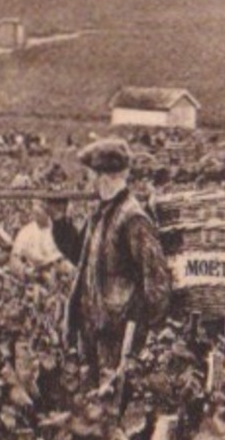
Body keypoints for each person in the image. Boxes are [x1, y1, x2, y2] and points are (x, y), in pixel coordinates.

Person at [62, 138, 172, 371]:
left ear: (103, 176)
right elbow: (79, 259)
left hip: (119, 338)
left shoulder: (132, 219)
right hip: (96, 333)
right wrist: (59, 222)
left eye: (90, 175)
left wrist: (139, 336)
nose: (88, 182)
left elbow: (157, 282)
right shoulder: (100, 214)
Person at [11, 199, 73, 280]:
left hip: (61, 275)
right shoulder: (26, 232)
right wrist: (26, 271)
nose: (37, 210)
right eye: (35, 206)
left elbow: (73, 256)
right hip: (36, 275)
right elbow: (14, 259)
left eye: (41, 206)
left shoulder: (60, 230)